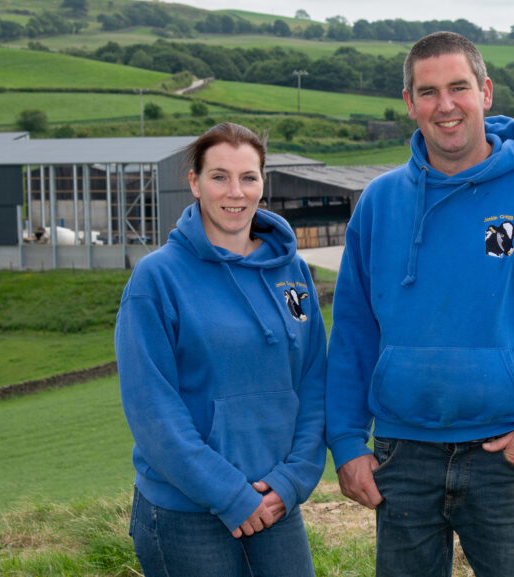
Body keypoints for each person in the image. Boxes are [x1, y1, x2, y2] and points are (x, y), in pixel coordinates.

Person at [325, 32, 514, 577]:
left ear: (486, 91)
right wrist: (345, 440)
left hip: (507, 455)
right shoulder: (379, 203)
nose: (445, 105)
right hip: (401, 455)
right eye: (427, 92)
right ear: (409, 103)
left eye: (459, 88)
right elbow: (354, 332)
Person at [115, 122, 326, 577]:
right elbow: (153, 410)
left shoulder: (293, 271)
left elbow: (313, 381)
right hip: (185, 510)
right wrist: (229, 493)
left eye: (248, 177)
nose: (236, 192)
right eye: (219, 176)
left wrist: (294, 480)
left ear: (263, 183)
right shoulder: (157, 279)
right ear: (194, 183)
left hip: (275, 502)